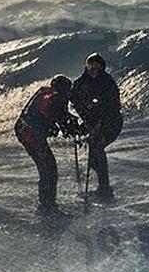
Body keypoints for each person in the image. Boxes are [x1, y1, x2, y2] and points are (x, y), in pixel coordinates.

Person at [15, 75, 81, 213]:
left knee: (46, 168)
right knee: (49, 169)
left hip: (23, 130)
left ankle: (47, 203)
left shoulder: (45, 93)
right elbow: (62, 122)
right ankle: (47, 205)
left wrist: (68, 121)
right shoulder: (57, 98)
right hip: (32, 135)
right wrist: (77, 129)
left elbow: (57, 116)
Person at [70, 53, 123, 198]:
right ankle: (101, 180)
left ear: (102, 67)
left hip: (112, 123)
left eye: (97, 65)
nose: (93, 68)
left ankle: (104, 187)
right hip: (92, 123)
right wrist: (82, 121)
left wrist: (99, 125)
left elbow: (113, 107)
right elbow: (74, 100)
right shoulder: (80, 83)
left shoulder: (108, 82)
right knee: (93, 153)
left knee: (97, 147)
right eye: (90, 64)